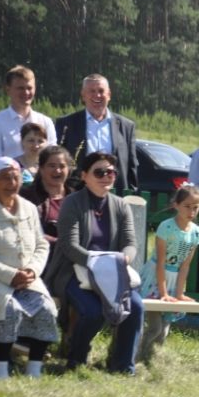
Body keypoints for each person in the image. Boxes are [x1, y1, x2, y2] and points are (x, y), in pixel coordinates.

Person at [43, 151, 144, 374]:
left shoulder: (120, 205)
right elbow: (69, 246)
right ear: (84, 175)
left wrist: (124, 257)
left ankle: (123, 366)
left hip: (113, 273)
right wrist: (98, 261)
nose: (106, 176)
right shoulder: (72, 203)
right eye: (99, 172)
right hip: (74, 271)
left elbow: (130, 243)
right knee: (92, 310)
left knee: (136, 307)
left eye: (111, 172)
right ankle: (76, 360)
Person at [0, 158, 58, 379]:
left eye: (16, 177)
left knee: (46, 308)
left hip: (28, 277)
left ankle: (34, 368)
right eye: (5, 178)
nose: (11, 182)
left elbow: (41, 243)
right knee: (9, 310)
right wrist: (9, 275)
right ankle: (0, 367)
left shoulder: (28, 208)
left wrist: (32, 270)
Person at [138, 185, 199, 363]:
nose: (191, 211)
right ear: (176, 205)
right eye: (187, 206)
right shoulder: (166, 227)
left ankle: (153, 361)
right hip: (156, 278)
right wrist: (164, 293)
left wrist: (179, 292)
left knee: (165, 328)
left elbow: (185, 265)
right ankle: (136, 357)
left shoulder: (197, 233)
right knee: (155, 327)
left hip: (174, 279)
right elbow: (160, 262)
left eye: (195, 207)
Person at [55, 74, 138, 191]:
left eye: (101, 91)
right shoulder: (66, 124)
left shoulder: (126, 127)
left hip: (114, 195)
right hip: (77, 194)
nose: (97, 95)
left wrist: (131, 193)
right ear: (83, 95)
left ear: (109, 94)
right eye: (91, 91)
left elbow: (131, 166)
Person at [0, 66, 57, 160]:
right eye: (20, 88)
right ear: (8, 90)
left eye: (29, 88)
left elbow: (52, 158)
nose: (26, 92)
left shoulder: (46, 122)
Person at [20, 145, 74, 253]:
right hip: (39, 257)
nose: (57, 170)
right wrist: (61, 244)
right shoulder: (26, 197)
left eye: (62, 166)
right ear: (41, 168)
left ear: (69, 169)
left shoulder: (76, 197)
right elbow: (26, 232)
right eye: (52, 165)